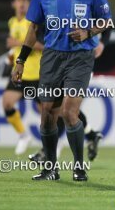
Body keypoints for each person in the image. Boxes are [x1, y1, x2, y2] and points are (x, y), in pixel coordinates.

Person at [11, 0, 111, 181]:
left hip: (80, 58)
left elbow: (106, 21)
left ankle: (78, 166)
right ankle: (50, 169)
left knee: (69, 111)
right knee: (47, 114)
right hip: (53, 56)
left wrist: (88, 32)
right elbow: (33, 28)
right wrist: (21, 61)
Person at [28, 29, 110, 163]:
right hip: (59, 63)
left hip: (81, 63)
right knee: (58, 108)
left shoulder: (90, 8)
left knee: (66, 109)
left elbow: (107, 22)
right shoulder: (52, 11)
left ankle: (49, 153)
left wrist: (102, 43)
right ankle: (91, 135)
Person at [2, 0, 43, 155]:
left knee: (48, 115)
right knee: (7, 103)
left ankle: (54, 143)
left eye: (24, 0)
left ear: (29, 2)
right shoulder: (12, 22)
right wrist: (11, 57)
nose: (21, 4)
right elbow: (15, 50)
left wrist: (17, 43)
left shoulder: (34, 22)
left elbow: (42, 46)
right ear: (13, 3)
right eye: (18, 0)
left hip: (37, 74)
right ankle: (24, 136)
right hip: (19, 74)